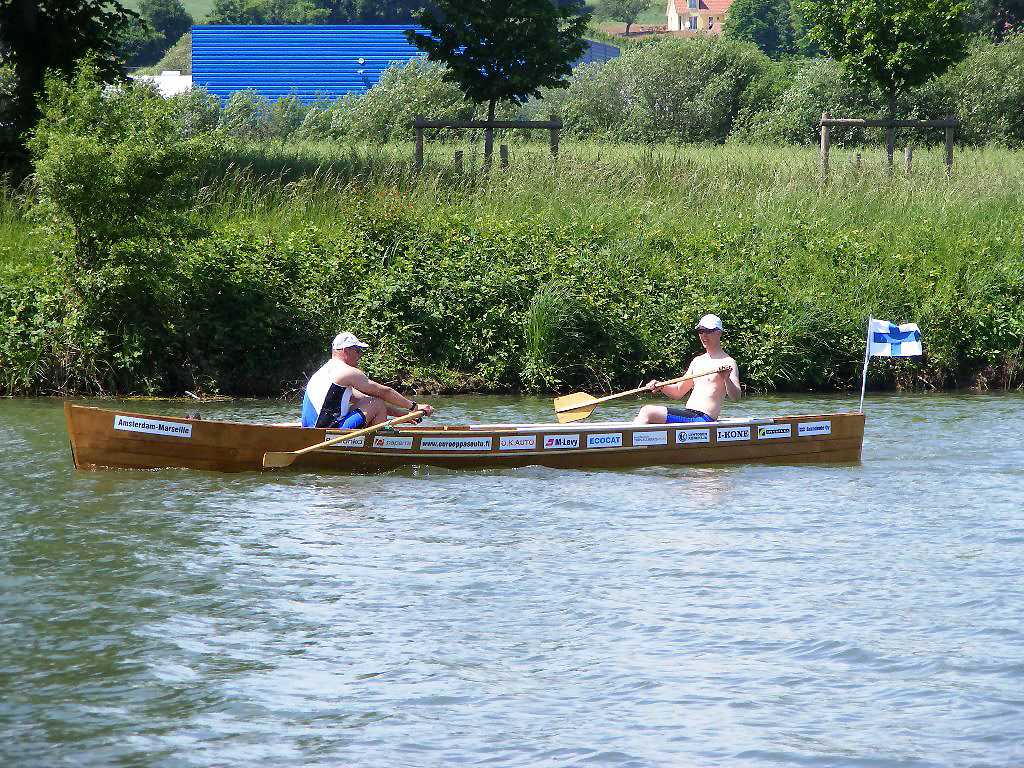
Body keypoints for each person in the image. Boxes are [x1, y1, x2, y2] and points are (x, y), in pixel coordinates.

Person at [301, 332, 435, 429]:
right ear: (345, 351)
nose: (360, 355)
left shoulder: (325, 372)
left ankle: (379, 437)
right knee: (376, 401)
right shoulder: (346, 371)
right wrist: (415, 406)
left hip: (312, 430)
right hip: (327, 431)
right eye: (358, 351)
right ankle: (380, 444)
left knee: (374, 402)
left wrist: (404, 415)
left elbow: (364, 400)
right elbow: (384, 392)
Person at [634, 314, 741, 424]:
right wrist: (661, 386)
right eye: (700, 331)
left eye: (708, 331)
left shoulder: (728, 362)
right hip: (689, 415)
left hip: (703, 419)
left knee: (647, 412)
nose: (704, 335)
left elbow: (736, 397)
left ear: (719, 332)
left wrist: (726, 378)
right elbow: (678, 391)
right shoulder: (697, 361)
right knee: (642, 416)